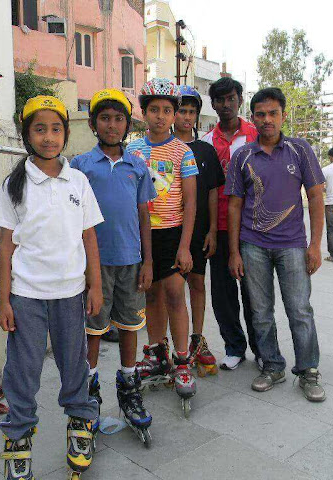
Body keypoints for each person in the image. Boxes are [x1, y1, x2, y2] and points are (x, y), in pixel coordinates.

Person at [0, 96, 103, 480]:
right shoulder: (14, 185)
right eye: (40, 129)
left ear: (66, 134)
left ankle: (80, 423)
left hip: (71, 294)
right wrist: (4, 299)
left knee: (75, 364)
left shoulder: (79, 181)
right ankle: (18, 437)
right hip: (26, 296)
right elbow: (6, 246)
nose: (49, 137)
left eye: (56, 129)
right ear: (27, 135)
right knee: (22, 370)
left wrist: (96, 286)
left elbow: (89, 238)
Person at [226, 87, 326, 402]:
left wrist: (315, 245)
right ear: (252, 118)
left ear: (283, 115)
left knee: (299, 309)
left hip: (293, 245)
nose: (267, 120)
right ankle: (272, 365)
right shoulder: (242, 155)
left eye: (273, 113)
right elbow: (234, 206)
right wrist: (234, 252)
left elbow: (315, 196)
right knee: (260, 311)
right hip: (252, 244)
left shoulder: (300, 150)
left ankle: (308, 370)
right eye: (260, 114)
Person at [71, 89, 156, 445]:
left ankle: (128, 385)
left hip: (131, 262)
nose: (111, 125)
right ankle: (90, 393)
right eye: (104, 118)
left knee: (131, 325)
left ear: (127, 124)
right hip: (94, 266)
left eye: (118, 118)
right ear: (93, 124)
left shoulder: (137, 166)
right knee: (93, 329)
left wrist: (149, 260)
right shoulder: (79, 166)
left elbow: (143, 215)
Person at [127, 78, 199, 414]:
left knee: (174, 294)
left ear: (174, 115)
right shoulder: (133, 151)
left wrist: (185, 247)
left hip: (173, 234)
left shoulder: (184, 152)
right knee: (151, 295)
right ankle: (156, 352)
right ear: (144, 113)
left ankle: (182, 359)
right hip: (144, 234)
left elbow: (191, 202)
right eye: (154, 109)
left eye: (166, 110)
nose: (160, 116)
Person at [202, 77, 259, 371]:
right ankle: (234, 347)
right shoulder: (206, 141)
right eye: (220, 100)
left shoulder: (255, 135)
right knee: (223, 294)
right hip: (220, 228)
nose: (226, 105)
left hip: (250, 227)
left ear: (240, 100)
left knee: (253, 292)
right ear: (213, 104)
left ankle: (262, 348)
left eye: (231, 99)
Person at [173, 85, 225, 376]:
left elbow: (213, 193)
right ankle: (172, 346)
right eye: (182, 111)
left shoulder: (206, 150)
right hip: (170, 231)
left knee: (197, 284)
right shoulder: (163, 149)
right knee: (171, 290)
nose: (187, 117)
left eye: (192, 112)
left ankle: (197, 339)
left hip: (199, 232)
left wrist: (213, 231)